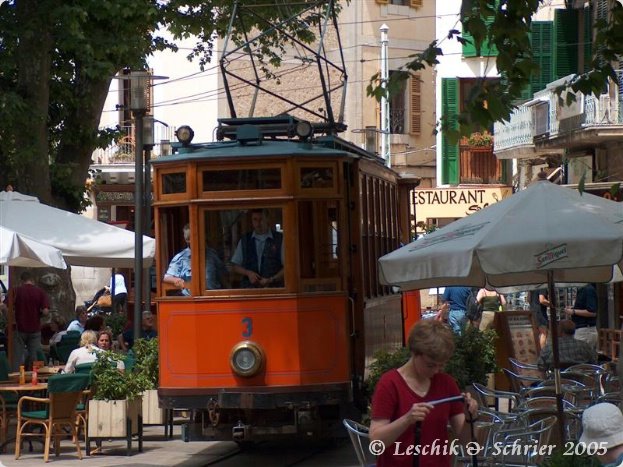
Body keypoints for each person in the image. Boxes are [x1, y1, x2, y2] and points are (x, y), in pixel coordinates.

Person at [370, 319, 478, 467]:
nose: (436, 371)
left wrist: (470, 417)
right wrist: (407, 419)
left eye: (441, 365)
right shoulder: (390, 383)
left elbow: (467, 442)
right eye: (430, 365)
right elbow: (376, 441)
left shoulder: (446, 383)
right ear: (415, 353)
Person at [164, 224, 227, 294]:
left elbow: (222, 276)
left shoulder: (212, 254)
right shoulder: (181, 257)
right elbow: (166, 277)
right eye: (195, 237)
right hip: (191, 299)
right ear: (187, 240)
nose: (200, 239)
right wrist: (175, 280)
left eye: (201, 236)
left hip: (212, 297)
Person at [230, 209, 284, 288]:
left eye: (261, 219)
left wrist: (271, 279)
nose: (258, 223)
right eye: (255, 219)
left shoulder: (279, 239)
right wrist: (248, 273)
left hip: (274, 290)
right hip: (249, 290)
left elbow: (288, 267)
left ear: (267, 219)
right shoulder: (245, 240)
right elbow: (235, 266)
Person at [12, 271, 50, 370]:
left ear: (21, 280)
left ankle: (17, 379)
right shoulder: (40, 292)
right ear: (32, 280)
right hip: (35, 328)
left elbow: (3, 307)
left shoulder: (16, 291)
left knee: (18, 357)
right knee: (35, 356)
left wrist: (10, 319)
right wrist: (38, 315)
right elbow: (46, 311)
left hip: (19, 328)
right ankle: (36, 378)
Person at [565, 283, 598, 351]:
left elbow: (592, 312)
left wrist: (573, 311)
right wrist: (573, 308)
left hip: (585, 330)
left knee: (580, 358)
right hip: (582, 329)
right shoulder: (582, 289)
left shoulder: (588, 289)